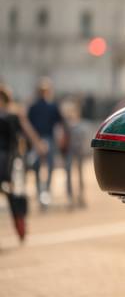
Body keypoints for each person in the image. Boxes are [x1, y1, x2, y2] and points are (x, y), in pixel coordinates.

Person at [1, 84, 48, 243]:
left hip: (11, 161)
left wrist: (38, 144)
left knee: (15, 196)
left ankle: (20, 224)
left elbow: (28, 131)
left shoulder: (14, 115)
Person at [27, 78, 64, 208]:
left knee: (39, 167)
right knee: (48, 166)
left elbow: (28, 125)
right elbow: (60, 124)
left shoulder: (33, 106)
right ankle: (45, 192)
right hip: (45, 139)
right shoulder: (52, 106)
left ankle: (41, 192)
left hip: (37, 139)